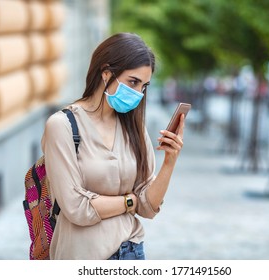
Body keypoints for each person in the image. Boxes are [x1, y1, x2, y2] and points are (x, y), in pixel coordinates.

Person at [41, 33, 185, 260]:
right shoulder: (62, 126)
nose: (138, 94)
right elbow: (76, 208)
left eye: (144, 86)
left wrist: (170, 161)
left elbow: (148, 207)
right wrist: (130, 201)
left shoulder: (134, 128)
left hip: (131, 251)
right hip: (82, 256)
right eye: (133, 82)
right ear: (106, 72)